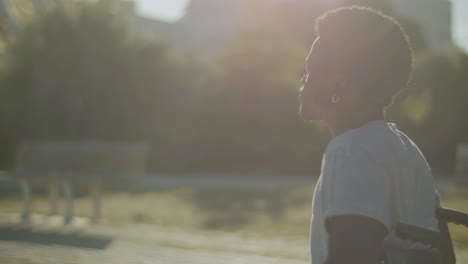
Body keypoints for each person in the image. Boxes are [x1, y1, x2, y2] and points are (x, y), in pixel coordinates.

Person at [298, 6, 455, 264]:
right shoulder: (408, 151)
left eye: (312, 67)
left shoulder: (351, 151)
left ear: (341, 84)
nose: (304, 79)